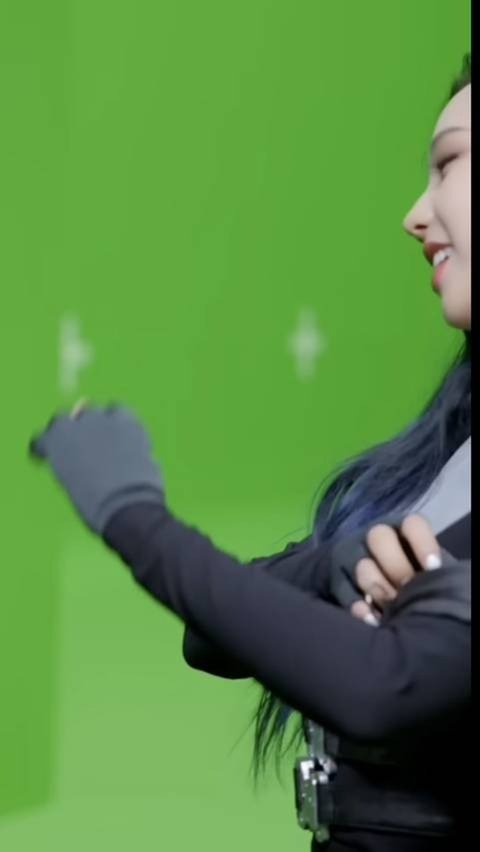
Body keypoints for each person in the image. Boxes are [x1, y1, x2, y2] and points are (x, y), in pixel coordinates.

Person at [29, 54, 471, 850]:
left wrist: (131, 514)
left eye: (449, 163)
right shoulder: (446, 454)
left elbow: (385, 689)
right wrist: (332, 564)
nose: (415, 213)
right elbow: (211, 638)